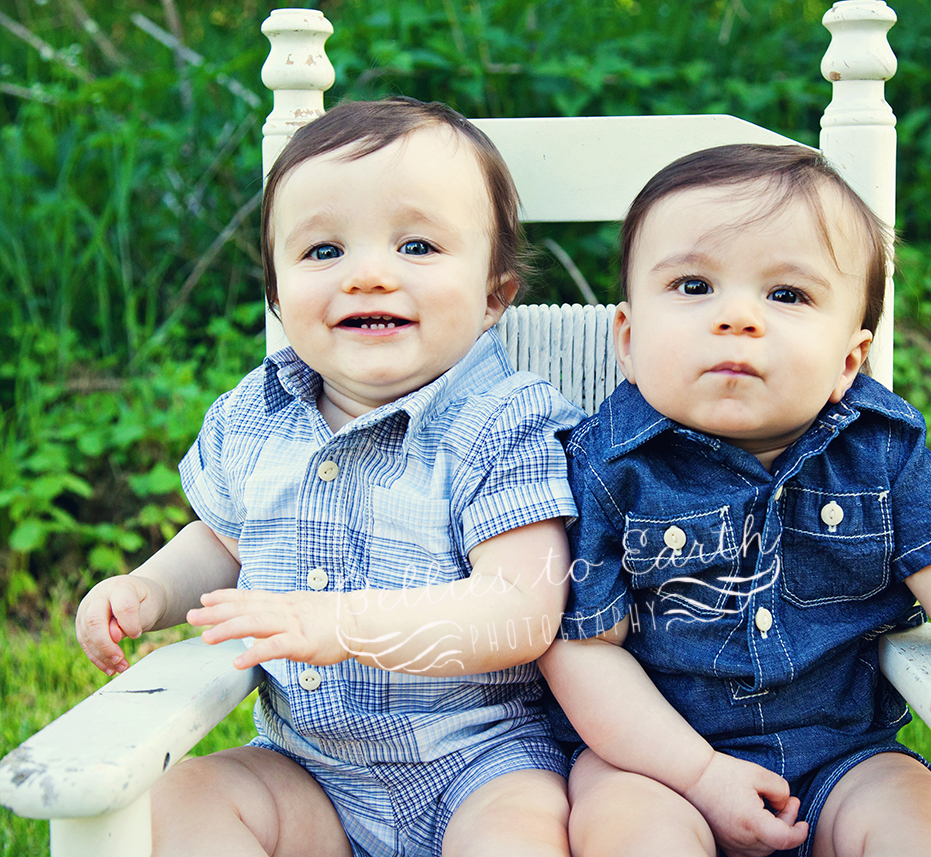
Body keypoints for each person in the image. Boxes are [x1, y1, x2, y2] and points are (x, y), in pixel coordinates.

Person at [538, 143, 931, 857]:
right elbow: (581, 654)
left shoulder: (879, 454)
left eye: (787, 295)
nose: (737, 317)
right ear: (627, 338)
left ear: (848, 361)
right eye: (692, 286)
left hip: (844, 756)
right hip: (654, 762)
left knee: (919, 819)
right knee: (630, 830)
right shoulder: (603, 466)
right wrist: (701, 772)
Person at [76, 97, 582, 857]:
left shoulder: (503, 424)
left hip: (482, 763)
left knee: (518, 834)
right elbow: (220, 542)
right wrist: (150, 589)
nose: (369, 275)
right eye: (322, 252)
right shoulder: (256, 415)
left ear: (492, 296)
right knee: (186, 798)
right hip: (308, 769)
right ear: (279, 296)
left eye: (416, 245)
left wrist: (340, 625)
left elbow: (521, 609)